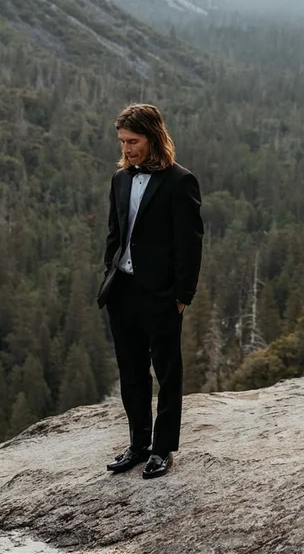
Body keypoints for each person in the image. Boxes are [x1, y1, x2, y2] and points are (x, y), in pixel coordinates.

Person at [95, 103, 203, 479]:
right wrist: (109, 269)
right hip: (122, 291)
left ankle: (162, 450)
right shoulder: (120, 179)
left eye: (133, 141)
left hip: (161, 295)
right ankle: (138, 444)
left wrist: (181, 297)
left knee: (167, 372)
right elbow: (115, 233)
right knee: (132, 372)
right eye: (123, 142)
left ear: (154, 137)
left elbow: (190, 245)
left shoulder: (180, 181)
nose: (126, 149)